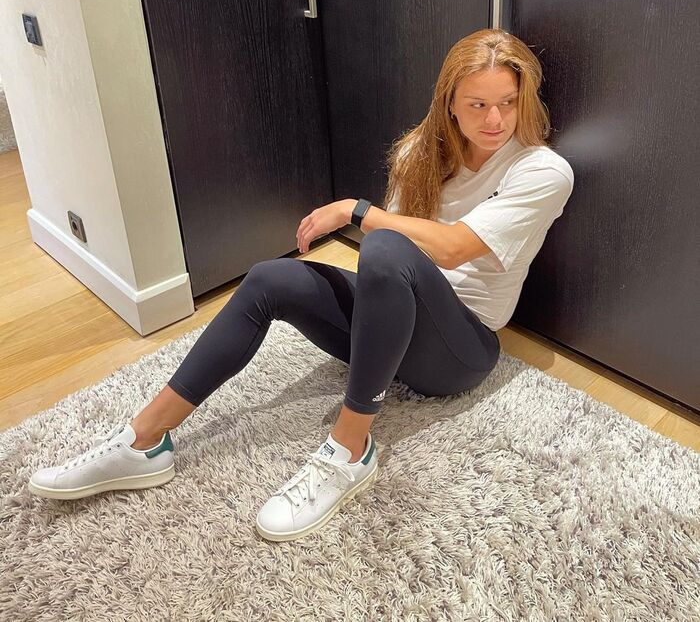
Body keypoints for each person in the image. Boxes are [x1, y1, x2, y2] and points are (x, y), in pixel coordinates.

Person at [28, 28, 574, 543]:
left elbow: (451, 248)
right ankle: (145, 440)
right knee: (270, 278)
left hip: (460, 349)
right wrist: (371, 226)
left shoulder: (542, 171)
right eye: (477, 104)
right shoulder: (420, 154)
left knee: (384, 245)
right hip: (398, 326)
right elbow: (394, 251)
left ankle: (350, 449)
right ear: (449, 103)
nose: (495, 119)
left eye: (508, 102)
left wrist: (354, 209)